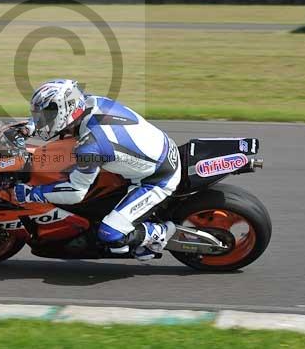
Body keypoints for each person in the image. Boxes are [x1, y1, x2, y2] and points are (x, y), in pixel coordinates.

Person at [13, 79, 180, 261]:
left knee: (110, 234)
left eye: (46, 115)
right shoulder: (88, 102)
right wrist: (31, 126)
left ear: (65, 110)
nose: (42, 119)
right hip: (156, 149)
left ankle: (158, 232)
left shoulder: (90, 147)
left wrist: (33, 194)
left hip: (157, 178)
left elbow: (76, 193)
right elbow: (63, 117)